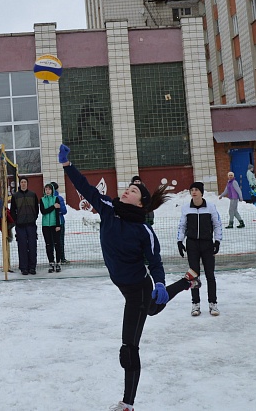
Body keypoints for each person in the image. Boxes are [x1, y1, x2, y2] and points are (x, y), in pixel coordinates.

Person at [58, 144, 199, 411]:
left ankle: (127, 404)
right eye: (128, 188)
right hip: (124, 286)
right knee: (155, 309)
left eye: (133, 191)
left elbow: (155, 262)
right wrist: (67, 165)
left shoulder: (144, 231)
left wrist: (158, 282)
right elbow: (85, 188)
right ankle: (187, 282)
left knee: (129, 347)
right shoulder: (109, 208)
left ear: (141, 202)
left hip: (137, 289)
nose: (126, 190)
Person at [178, 181, 223, 316]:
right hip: (192, 244)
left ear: (201, 192)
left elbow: (217, 224)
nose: (194, 192)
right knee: (193, 276)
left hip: (207, 244)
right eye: (192, 189)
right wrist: (180, 241)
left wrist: (217, 241)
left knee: (210, 274)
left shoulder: (210, 207)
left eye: (196, 189)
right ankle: (195, 304)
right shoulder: (186, 208)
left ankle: (213, 304)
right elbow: (182, 226)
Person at [10, 176, 40, 275]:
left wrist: (33, 218)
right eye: (22, 182)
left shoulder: (32, 195)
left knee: (32, 246)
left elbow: (36, 209)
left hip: (31, 225)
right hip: (20, 226)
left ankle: (32, 267)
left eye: (25, 182)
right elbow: (12, 211)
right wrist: (17, 220)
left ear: (27, 184)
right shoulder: (15, 196)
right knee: (22, 246)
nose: (23, 183)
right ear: (20, 184)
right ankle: (24, 268)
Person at [40, 183, 64, 272]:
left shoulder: (56, 198)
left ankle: (58, 262)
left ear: (52, 190)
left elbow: (58, 213)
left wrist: (58, 225)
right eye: (46, 189)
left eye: (49, 189)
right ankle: (51, 262)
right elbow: (43, 211)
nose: (47, 191)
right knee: (48, 245)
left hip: (55, 225)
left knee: (57, 244)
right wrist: (53, 206)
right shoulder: (42, 200)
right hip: (46, 225)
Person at [49, 181, 70, 264]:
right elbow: (64, 211)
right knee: (60, 240)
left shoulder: (47, 198)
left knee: (51, 241)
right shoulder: (59, 198)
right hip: (60, 221)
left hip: (50, 222)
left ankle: (52, 259)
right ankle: (62, 258)